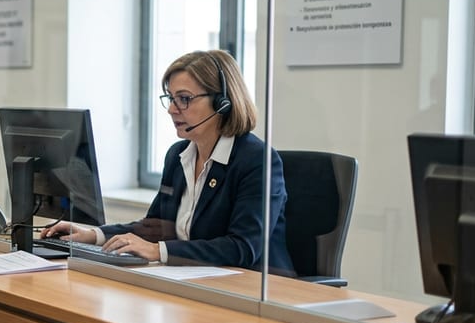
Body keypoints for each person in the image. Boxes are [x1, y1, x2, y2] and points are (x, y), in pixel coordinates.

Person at [42, 50, 293, 272]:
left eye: (184, 99)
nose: (172, 109)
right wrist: (92, 235)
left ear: (222, 104)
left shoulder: (257, 161)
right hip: (196, 281)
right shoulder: (178, 155)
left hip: (256, 290)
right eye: (171, 98)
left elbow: (243, 248)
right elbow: (153, 227)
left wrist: (158, 251)